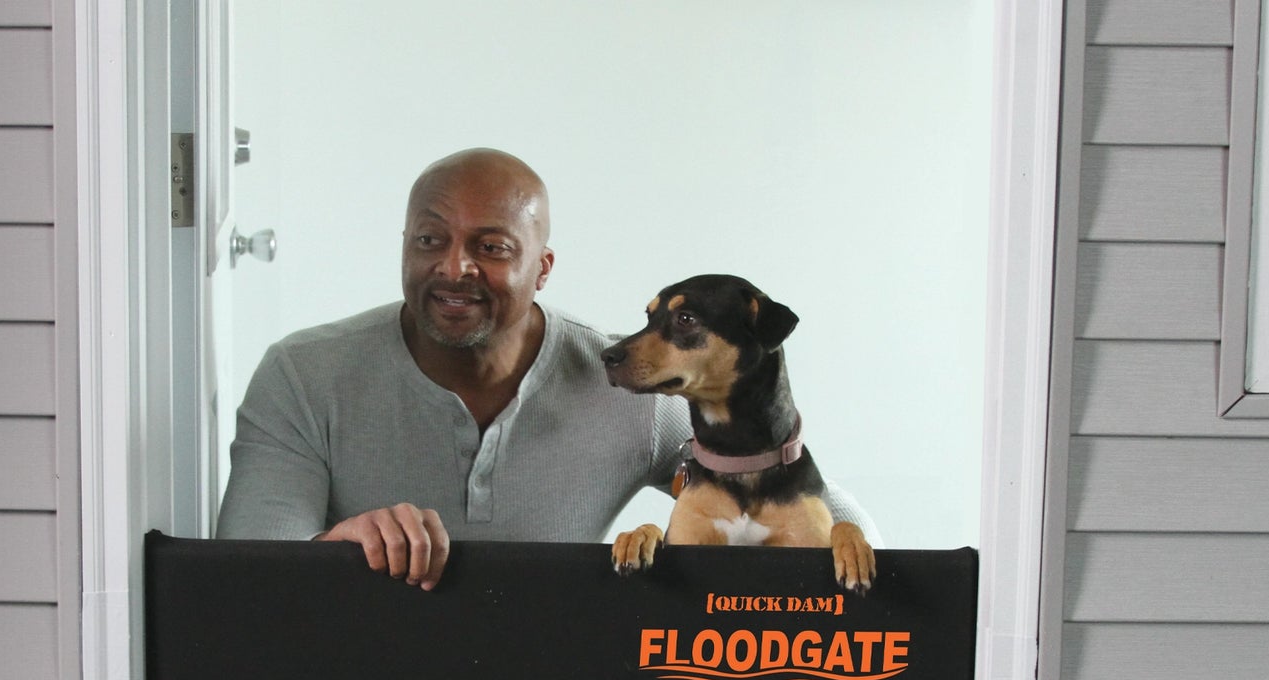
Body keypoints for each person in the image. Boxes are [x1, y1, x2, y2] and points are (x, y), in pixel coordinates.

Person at [213, 147, 876, 590]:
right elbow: (243, 579)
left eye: (491, 247)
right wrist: (340, 544)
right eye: (430, 240)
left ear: (543, 268)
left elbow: (834, 519)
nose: (454, 268)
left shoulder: (634, 390)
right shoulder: (302, 376)